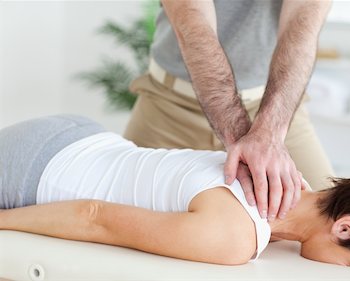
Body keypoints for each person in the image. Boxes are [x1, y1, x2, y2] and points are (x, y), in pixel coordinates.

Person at [0, 115, 350, 269]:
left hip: (81, 135)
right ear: (346, 227)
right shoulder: (234, 238)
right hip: (32, 171)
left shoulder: (287, 177)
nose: (348, 272)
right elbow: (92, 216)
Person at [124, 0, 335, 222]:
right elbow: (192, 19)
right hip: (169, 106)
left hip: (272, 111)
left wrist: (268, 136)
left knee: (329, 220)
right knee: (119, 214)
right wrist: (246, 143)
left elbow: (303, 18)